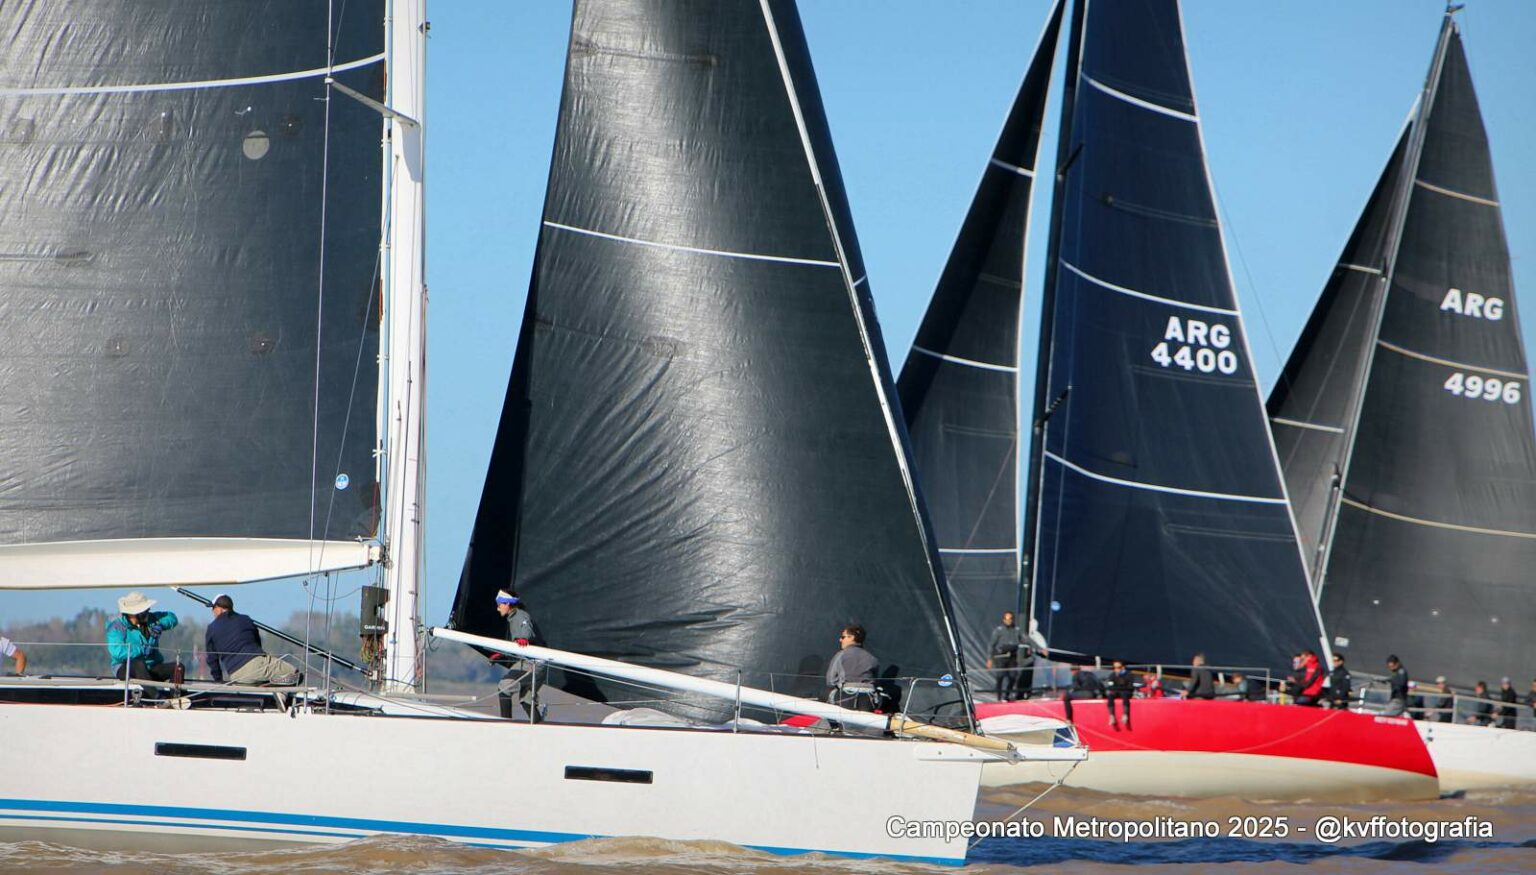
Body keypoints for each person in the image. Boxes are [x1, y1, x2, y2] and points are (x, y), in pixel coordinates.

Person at [204, 594, 298, 685]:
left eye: (213, 608)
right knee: (296, 675)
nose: (212, 611)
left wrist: (219, 681)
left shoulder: (211, 628)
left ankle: (267, 683)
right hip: (257, 666)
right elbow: (257, 643)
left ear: (219, 609)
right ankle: (273, 685)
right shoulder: (246, 619)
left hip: (236, 676)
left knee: (262, 677)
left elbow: (212, 660)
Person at [106, 592, 182, 683]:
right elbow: (117, 652)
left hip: (152, 666)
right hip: (126, 667)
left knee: (178, 668)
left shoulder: (152, 619)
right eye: (144, 612)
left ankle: (175, 692)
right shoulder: (116, 627)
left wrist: (161, 625)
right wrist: (141, 650)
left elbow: (172, 617)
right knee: (139, 665)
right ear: (133, 614)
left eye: (147, 610)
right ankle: (153, 692)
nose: (147, 613)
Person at [491, 590, 544, 722]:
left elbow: (527, 632)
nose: (498, 608)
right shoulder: (513, 618)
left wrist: (523, 638)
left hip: (534, 663)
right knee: (526, 699)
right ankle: (539, 726)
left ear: (507, 604)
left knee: (504, 687)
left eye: (499, 605)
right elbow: (517, 645)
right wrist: (500, 655)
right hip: (532, 663)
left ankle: (506, 724)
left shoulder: (520, 615)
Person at [826, 624, 881, 711]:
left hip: (846, 698)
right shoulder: (873, 659)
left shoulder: (840, 655)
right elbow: (875, 681)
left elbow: (830, 681)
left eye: (843, 637)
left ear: (851, 637)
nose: (840, 640)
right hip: (868, 700)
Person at [985, 611, 1026, 702]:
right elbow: (991, 645)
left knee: (1013, 676)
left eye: (1010, 619)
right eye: (1006, 619)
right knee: (1000, 676)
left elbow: (1026, 639)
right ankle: (999, 697)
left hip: (1012, 657)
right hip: (1001, 656)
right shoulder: (998, 630)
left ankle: (1006, 694)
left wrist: (1038, 648)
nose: (1008, 621)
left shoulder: (1017, 630)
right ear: (1003, 620)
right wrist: (989, 659)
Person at [1103, 659, 1134, 729]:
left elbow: (1129, 686)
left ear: (1123, 667)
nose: (1116, 669)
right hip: (1116, 691)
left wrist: (1120, 679)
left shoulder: (1129, 674)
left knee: (1124, 695)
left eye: (1118, 667)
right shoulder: (1112, 675)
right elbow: (1110, 685)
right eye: (1114, 667)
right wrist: (1115, 687)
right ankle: (1111, 716)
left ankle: (1125, 715)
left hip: (1126, 691)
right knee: (1110, 696)